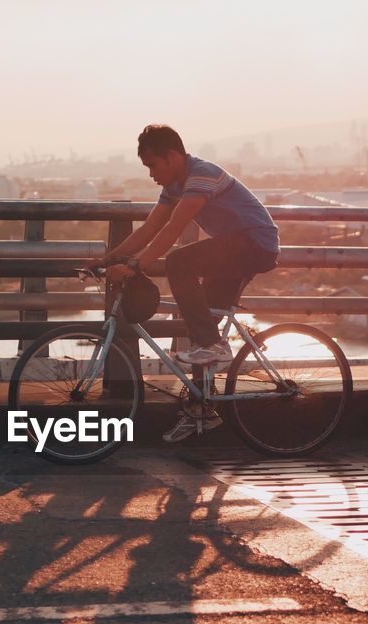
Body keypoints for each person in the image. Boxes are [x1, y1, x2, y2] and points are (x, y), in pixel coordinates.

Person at [97, 124, 280, 443]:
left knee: (179, 262)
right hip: (233, 248)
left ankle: (214, 346)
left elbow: (172, 230)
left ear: (172, 156)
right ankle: (202, 409)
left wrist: (137, 266)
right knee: (200, 324)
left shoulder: (202, 174)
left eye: (153, 165)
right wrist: (107, 259)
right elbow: (150, 228)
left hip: (255, 244)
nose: (151, 174)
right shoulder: (175, 185)